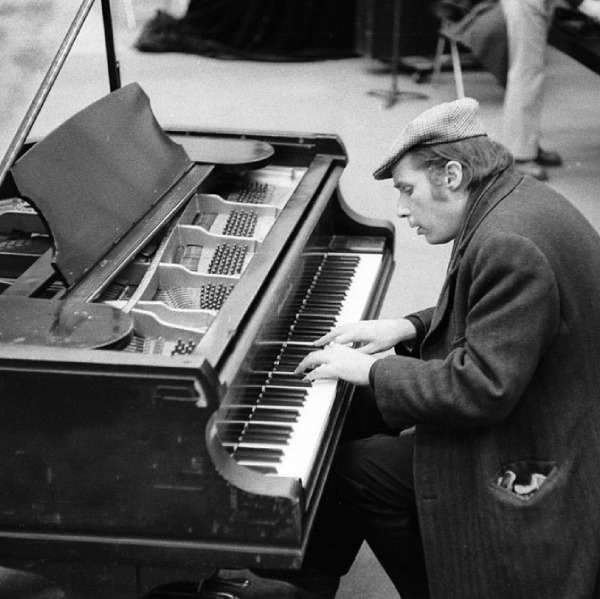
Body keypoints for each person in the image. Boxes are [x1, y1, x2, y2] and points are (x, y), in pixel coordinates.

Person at [254, 98, 600, 598]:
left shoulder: (508, 243)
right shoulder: (513, 201)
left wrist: (371, 371)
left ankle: (447, 583)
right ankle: (306, 578)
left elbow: (481, 390)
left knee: (353, 467)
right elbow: (503, 318)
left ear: (453, 175)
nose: (400, 207)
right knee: (342, 408)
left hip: (540, 447)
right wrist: (408, 327)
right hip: (550, 404)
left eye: (407, 189)